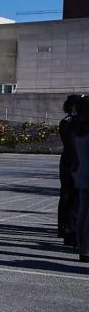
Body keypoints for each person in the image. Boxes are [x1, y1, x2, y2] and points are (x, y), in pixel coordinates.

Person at [58, 95, 82, 246]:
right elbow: (71, 144)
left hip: (73, 162)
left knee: (73, 198)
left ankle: (69, 230)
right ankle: (68, 230)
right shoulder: (69, 122)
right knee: (70, 197)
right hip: (71, 162)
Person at [74, 97, 89, 264]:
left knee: (83, 212)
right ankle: (85, 248)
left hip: (82, 173)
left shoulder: (80, 130)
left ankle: (82, 247)